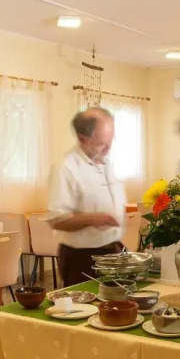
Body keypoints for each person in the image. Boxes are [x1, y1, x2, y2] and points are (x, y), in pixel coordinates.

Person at [47, 107, 126, 283]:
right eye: (102, 143)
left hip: (112, 250)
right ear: (83, 139)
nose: (108, 148)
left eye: (111, 140)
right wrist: (91, 219)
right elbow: (57, 220)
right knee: (86, 300)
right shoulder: (65, 168)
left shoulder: (106, 163)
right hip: (83, 257)